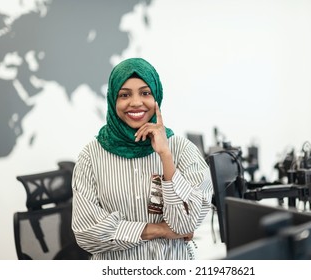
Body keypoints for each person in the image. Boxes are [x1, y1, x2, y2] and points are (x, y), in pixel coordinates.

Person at [71, 57, 213, 260]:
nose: (136, 102)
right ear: (113, 100)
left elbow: (185, 225)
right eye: (124, 95)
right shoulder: (91, 156)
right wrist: (159, 230)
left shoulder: (182, 151)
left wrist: (165, 156)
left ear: (157, 96)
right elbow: (87, 233)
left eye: (145, 93)